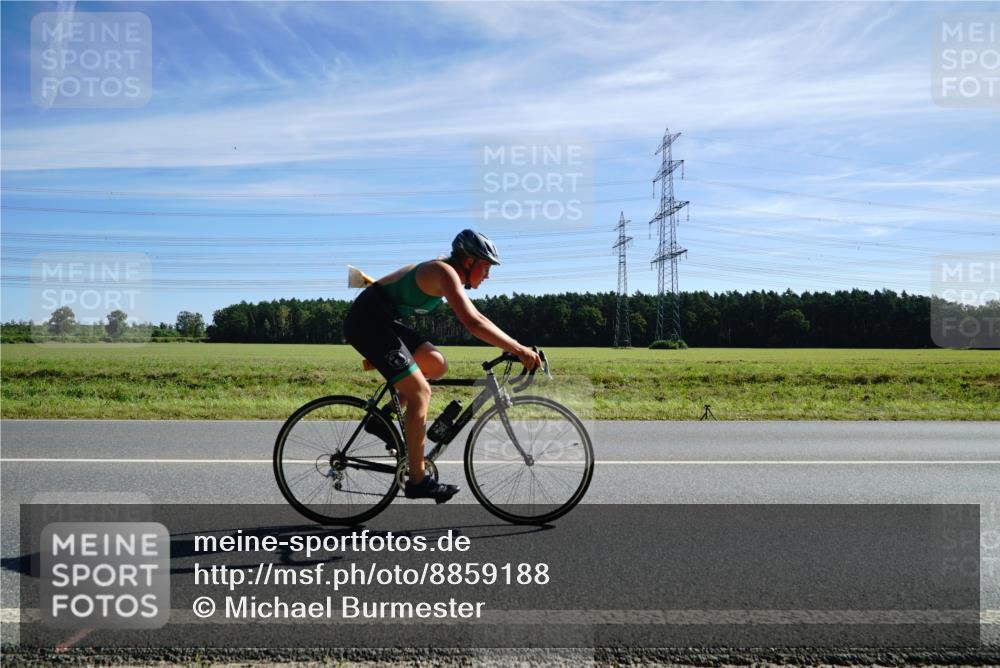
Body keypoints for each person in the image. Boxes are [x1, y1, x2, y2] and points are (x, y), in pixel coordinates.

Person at [343, 230, 542, 503]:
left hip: (382, 322)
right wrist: (518, 350)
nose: (488, 275)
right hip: (367, 323)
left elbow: (478, 316)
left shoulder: (447, 273)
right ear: (469, 261)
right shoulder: (443, 272)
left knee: (437, 365)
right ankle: (418, 481)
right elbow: (473, 324)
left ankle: (383, 417)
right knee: (420, 393)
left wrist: (516, 346)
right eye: (486, 267)